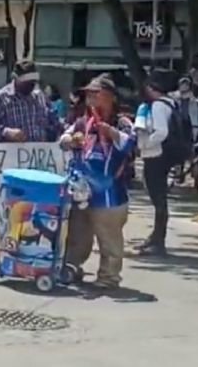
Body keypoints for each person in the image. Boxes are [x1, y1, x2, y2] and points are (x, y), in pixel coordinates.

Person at [60, 74, 135, 289]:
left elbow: (130, 143)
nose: (90, 99)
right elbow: (63, 138)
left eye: (96, 94)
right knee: (77, 234)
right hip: (82, 191)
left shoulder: (122, 122)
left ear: (109, 97)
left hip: (110, 194)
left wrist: (110, 132)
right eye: (88, 94)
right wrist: (70, 140)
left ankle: (109, 277)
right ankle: (72, 268)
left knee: (109, 240)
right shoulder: (83, 121)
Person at [135, 73, 176, 256]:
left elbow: (161, 132)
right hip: (163, 156)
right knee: (160, 199)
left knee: (158, 199)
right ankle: (156, 237)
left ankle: (158, 241)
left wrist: (144, 144)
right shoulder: (170, 103)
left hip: (156, 155)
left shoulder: (159, 106)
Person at [0, 61, 59, 142]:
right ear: (16, 79)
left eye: (33, 83)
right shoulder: (3, 97)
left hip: (39, 152)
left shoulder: (40, 97)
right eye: (27, 83)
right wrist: (6, 132)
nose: (31, 86)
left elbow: (55, 122)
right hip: (12, 152)